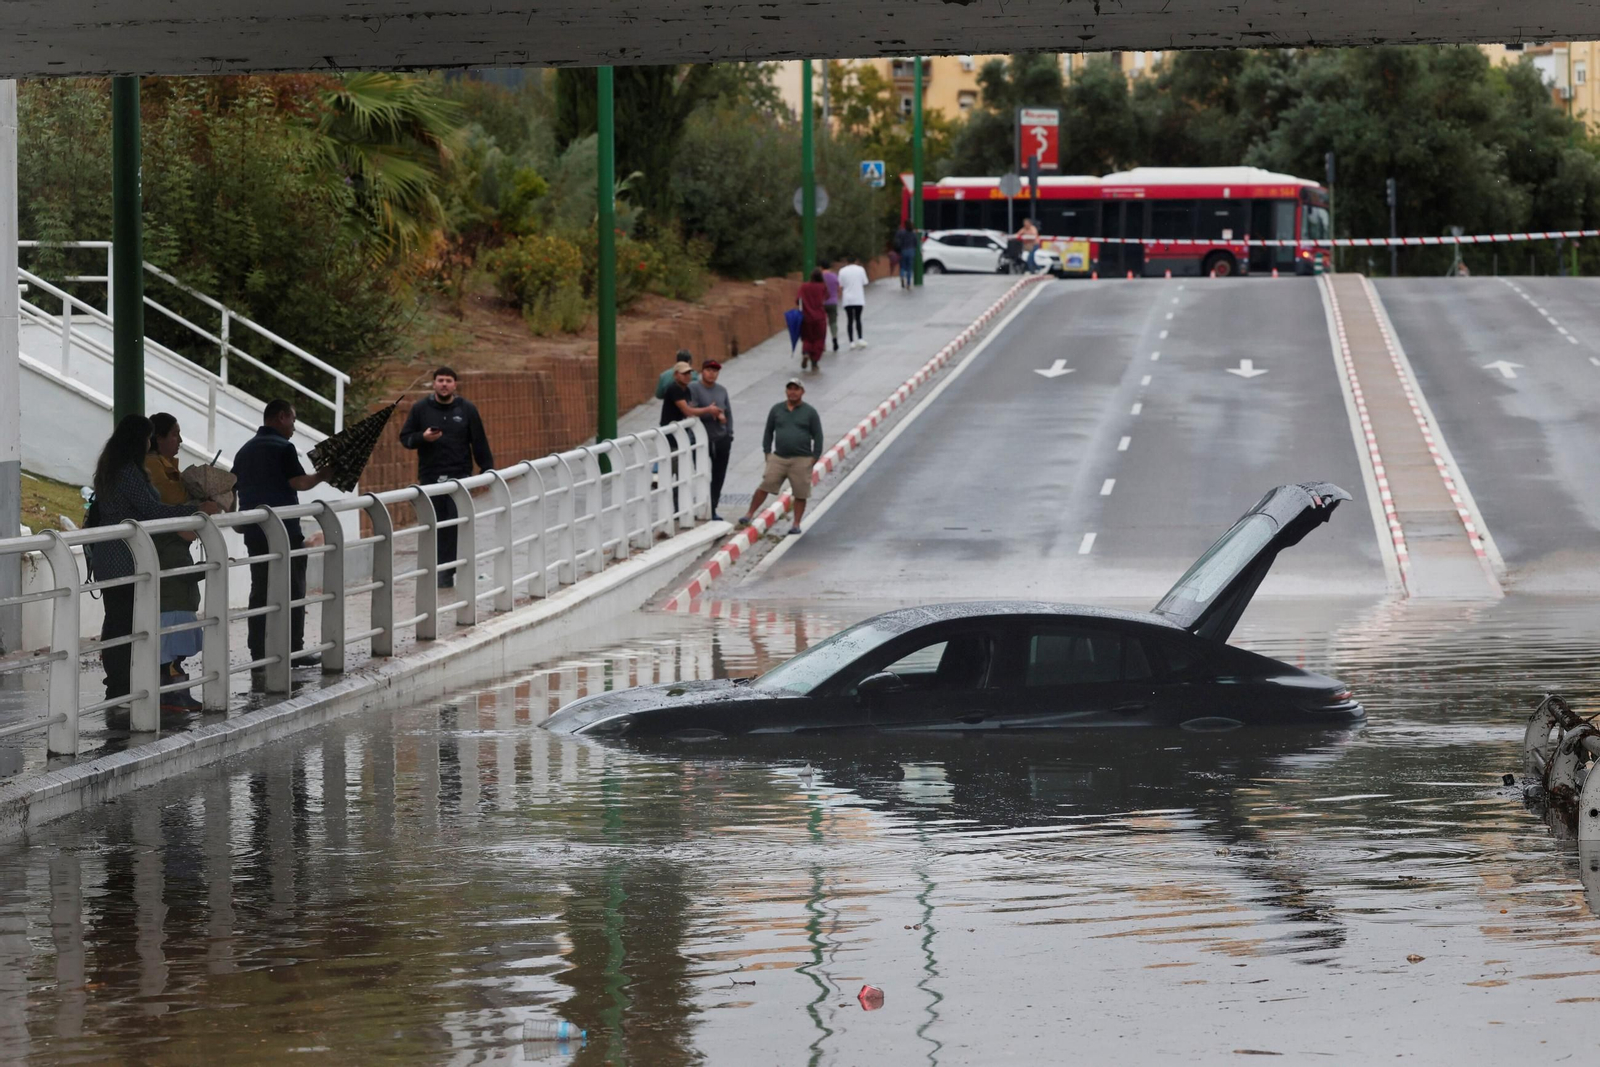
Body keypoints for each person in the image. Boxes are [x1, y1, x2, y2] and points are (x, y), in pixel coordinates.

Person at [90, 415, 219, 710]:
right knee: (123, 622)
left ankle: (121, 687)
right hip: (123, 556)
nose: (150, 444)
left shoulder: (115, 468)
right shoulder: (128, 472)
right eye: (148, 438)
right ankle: (121, 689)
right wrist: (193, 509)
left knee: (119, 621)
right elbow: (148, 510)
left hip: (113, 555)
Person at [234, 399, 328, 684]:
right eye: (293, 420)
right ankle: (293, 649)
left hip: (255, 530)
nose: (295, 427)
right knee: (293, 588)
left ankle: (258, 652)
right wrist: (323, 475)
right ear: (282, 416)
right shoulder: (283, 447)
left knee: (260, 589)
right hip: (285, 530)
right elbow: (298, 482)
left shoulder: (244, 450)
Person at [398, 367, 495, 588]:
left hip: (459, 476)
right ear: (434, 384)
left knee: (454, 524)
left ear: (455, 385)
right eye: (440, 380)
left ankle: (448, 572)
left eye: (448, 381)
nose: (444, 384)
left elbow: (479, 441)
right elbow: (406, 438)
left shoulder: (467, 409)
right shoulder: (420, 409)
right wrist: (423, 437)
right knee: (435, 524)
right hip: (430, 477)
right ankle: (438, 571)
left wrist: (487, 469)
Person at [144, 413, 205, 711]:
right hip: (166, 553)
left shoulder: (167, 467)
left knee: (179, 618)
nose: (180, 441)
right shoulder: (153, 469)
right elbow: (171, 501)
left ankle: (174, 690)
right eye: (175, 435)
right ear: (158, 438)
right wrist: (198, 501)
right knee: (171, 625)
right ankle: (170, 694)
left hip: (176, 552)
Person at [737, 378, 824, 537]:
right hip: (779, 458)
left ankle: (796, 523)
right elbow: (768, 431)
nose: (792, 392)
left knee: (800, 493)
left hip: (802, 459)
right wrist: (767, 452)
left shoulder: (810, 412)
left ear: (802, 392)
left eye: (796, 389)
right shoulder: (777, 409)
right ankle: (749, 514)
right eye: (789, 388)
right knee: (765, 485)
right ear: (786, 391)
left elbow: (818, 435)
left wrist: (814, 458)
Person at [659, 360, 724, 514]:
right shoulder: (674, 389)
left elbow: (692, 408)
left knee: (683, 475)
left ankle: (681, 510)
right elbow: (687, 411)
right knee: (673, 475)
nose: (688, 376)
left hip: (682, 438)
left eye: (689, 373)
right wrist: (708, 409)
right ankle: (672, 511)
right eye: (684, 373)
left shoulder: (685, 390)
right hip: (671, 440)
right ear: (676, 375)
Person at [688, 359, 733, 520]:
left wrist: (729, 433)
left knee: (718, 475)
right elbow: (690, 411)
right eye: (708, 370)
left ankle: (712, 508)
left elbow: (727, 414)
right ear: (702, 371)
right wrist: (710, 411)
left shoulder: (722, 390)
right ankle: (699, 507)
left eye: (715, 371)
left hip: (721, 439)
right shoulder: (693, 388)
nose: (711, 374)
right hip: (700, 441)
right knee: (700, 475)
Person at [797, 269, 829, 371]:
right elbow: (827, 297)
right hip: (820, 318)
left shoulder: (804, 286)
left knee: (807, 338)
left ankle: (806, 353)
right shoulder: (822, 286)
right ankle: (814, 362)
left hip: (806, 317)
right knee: (819, 339)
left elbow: (798, 300)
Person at [838, 256, 870, 350]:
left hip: (847, 299)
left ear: (846, 261)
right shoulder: (860, 270)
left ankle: (851, 341)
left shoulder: (842, 271)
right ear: (856, 261)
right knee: (858, 319)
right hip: (858, 298)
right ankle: (860, 338)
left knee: (849, 320)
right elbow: (865, 282)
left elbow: (840, 284)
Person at [822, 264, 842, 353]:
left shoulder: (819, 277)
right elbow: (839, 288)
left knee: (822, 323)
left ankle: (823, 344)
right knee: (833, 322)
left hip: (822, 303)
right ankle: (834, 338)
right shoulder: (834, 276)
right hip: (833, 302)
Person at [895, 222, 919, 288]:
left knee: (902, 266)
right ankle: (908, 284)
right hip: (911, 251)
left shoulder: (902, 233)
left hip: (904, 250)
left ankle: (902, 276)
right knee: (909, 268)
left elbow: (899, 242)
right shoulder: (913, 234)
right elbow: (916, 243)